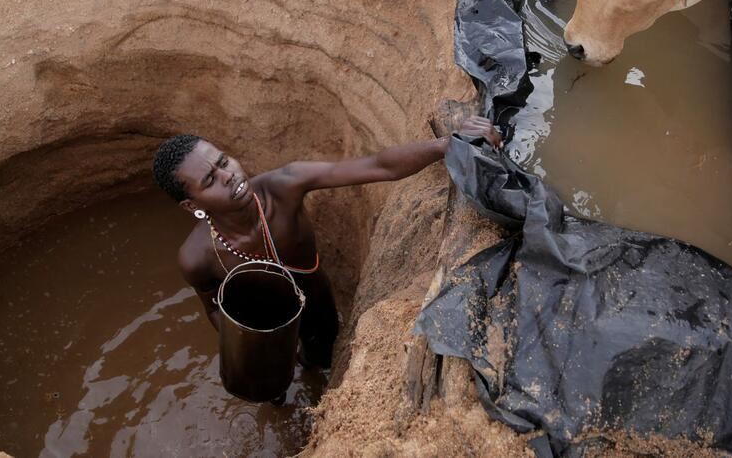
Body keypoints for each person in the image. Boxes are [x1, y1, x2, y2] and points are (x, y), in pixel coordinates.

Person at [151, 116, 501, 369]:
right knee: (267, 389)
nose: (230, 176)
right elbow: (213, 308)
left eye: (224, 161)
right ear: (192, 205)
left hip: (317, 307)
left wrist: (445, 145)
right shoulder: (196, 257)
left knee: (321, 361)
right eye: (211, 179)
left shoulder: (284, 186)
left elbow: (378, 166)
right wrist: (247, 347)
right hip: (263, 329)